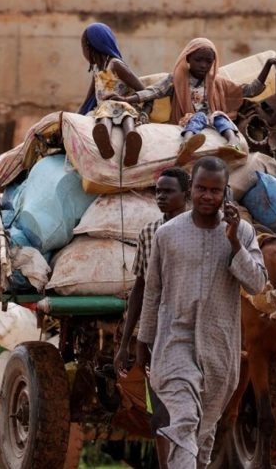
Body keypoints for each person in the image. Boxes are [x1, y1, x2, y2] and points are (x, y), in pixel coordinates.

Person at [136, 156, 267, 468]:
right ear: (190, 190)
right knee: (184, 419)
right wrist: (143, 342)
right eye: (200, 189)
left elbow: (257, 284)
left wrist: (235, 243)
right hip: (173, 345)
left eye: (215, 190)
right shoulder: (166, 235)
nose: (207, 196)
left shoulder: (243, 233)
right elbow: (152, 290)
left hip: (220, 351)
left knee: (203, 431)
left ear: (226, 194)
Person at [113, 166, 190, 468]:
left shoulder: (202, 231)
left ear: (187, 194)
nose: (161, 196)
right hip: (158, 334)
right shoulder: (149, 233)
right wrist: (126, 342)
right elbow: (140, 288)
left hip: (193, 333)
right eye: (158, 191)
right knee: (159, 411)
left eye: (168, 191)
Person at [111, 38, 276, 166]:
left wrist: (267, 66)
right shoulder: (176, 80)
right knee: (197, 119)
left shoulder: (217, 83)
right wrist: (127, 99)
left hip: (212, 121)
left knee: (222, 118)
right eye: (198, 60)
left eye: (208, 61)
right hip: (188, 120)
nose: (203, 65)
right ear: (188, 59)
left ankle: (232, 143)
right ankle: (186, 145)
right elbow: (153, 92)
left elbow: (251, 90)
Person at [77, 22, 148, 166]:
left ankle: (131, 141)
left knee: (123, 114)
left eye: (83, 48)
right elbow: (88, 100)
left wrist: (142, 109)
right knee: (104, 111)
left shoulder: (115, 65)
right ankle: (105, 143)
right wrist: (75, 116)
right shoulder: (97, 70)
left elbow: (143, 89)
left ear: (90, 47)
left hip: (124, 105)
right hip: (105, 109)